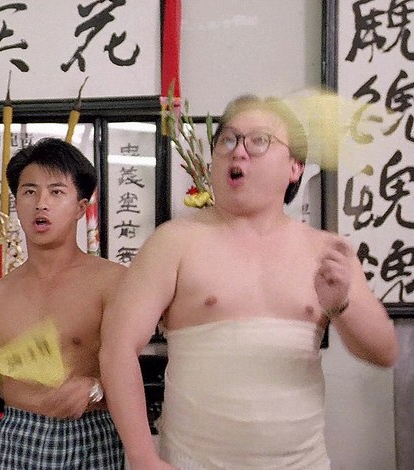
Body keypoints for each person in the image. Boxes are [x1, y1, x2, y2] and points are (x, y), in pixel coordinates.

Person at [100, 95, 398, 470]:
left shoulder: (325, 251)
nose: (238, 151)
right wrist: (142, 455)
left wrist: (342, 306)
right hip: (192, 462)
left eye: (259, 141)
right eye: (228, 140)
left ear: (294, 167)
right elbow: (117, 346)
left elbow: (384, 352)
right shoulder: (173, 242)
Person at [0, 138, 127, 470]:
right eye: (29, 192)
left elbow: (138, 374)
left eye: (56, 192)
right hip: (14, 439)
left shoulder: (113, 282)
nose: (41, 203)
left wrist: (97, 387)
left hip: (93, 435)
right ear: (16, 203)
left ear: (80, 207)